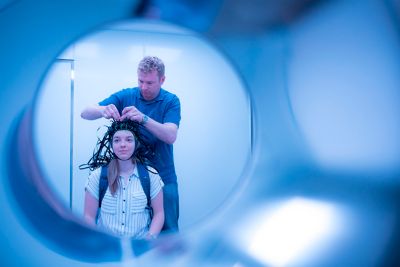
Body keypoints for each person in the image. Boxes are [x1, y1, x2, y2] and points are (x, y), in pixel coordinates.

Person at [81, 56, 181, 233]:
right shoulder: (126, 95)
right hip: (127, 175)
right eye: (140, 81)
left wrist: (144, 118)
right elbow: (85, 112)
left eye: (149, 83)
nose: (143, 87)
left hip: (163, 175)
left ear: (162, 80)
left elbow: (170, 135)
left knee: (168, 231)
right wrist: (102, 110)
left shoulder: (171, 101)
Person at [81, 119, 164, 239]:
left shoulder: (151, 176)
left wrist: (150, 238)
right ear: (111, 144)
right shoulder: (97, 176)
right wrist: (98, 242)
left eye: (129, 140)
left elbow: (159, 214)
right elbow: (88, 216)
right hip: (107, 250)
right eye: (117, 140)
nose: (123, 145)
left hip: (139, 248)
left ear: (136, 143)